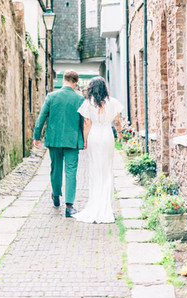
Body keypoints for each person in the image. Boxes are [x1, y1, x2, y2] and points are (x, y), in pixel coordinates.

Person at [33, 70, 84, 218]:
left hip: (54, 139)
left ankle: (56, 195)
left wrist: (37, 136)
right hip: (72, 140)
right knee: (71, 171)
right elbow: (82, 123)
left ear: (63, 80)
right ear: (75, 82)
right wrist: (83, 140)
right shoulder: (79, 99)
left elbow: (41, 117)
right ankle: (69, 206)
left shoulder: (51, 96)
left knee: (55, 168)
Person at [73, 76, 123, 224]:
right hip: (107, 135)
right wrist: (119, 134)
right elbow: (116, 121)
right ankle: (106, 206)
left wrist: (85, 141)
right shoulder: (113, 102)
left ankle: (95, 205)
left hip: (94, 136)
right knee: (107, 170)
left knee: (95, 170)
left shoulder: (88, 103)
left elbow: (87, 124)